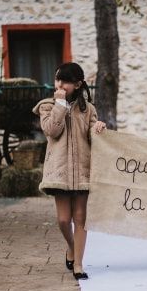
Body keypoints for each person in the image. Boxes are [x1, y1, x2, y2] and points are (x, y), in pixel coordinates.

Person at [32, 62, 106, 280]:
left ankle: (79, 265)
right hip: (60, 171)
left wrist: (98, 128)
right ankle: (72, 248)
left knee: (80, 217)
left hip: (83, 170)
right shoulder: (48, 106)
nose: (60, 84)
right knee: (64, 220)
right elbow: (52, 131)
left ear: (78, 84)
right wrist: (60, 105)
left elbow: (92, 138)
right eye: (57, 79)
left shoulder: (88, 109)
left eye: (65, 81)